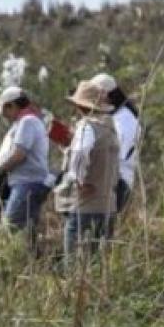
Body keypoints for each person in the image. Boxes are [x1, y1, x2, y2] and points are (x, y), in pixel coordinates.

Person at [54, 81, 120, 261]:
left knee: (75, 260)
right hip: (107, 204)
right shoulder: (111, 129)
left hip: (86, 205)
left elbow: (81, 153)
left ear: (79, 106)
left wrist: (78, 180)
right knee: (98, 261)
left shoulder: (86, 127)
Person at [0, 86, 53, 251]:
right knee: (27, 232)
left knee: (8, 229)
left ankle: (5, 264)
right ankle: (33, 265)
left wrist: (1, 169)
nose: (5, 116)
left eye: (6, 110)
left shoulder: (27, 122)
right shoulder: (27, 122)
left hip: (26, 184)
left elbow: (19, 154)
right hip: (28, 183)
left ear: (11, 105)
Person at [90, 73, 141, 226]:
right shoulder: (113, 117)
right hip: (108, 179)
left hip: (117, 181)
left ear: (104, 94)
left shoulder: (124, 118)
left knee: (101, 229)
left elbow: (118, 151)